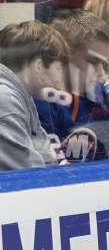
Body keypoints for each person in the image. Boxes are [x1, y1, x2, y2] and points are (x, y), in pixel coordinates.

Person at [0, 21, 63, 171]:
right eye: (59, 67)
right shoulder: (7, 100)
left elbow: (45, 154)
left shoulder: (21, 93)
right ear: (39, 66)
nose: (61, 75)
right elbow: (29, 172)